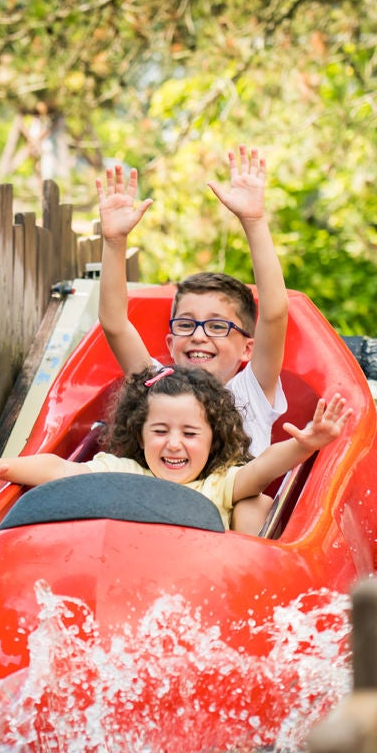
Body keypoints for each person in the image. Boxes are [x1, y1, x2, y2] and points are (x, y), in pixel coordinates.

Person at [96, 145, 290, 532]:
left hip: (226, 523)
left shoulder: (252, 389)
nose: (199, 336)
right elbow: (115, 323)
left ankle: (244, 578)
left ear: (247, 347)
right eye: (186, 324)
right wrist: (115, 243)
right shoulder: (159, 385)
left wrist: (253, 221)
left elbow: (274, 311)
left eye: (218, 326)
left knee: (253, 504)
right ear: (170, 343)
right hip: (162, 509)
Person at [0, 366, 349, 533]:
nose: (174, 443)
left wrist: (305, 445)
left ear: (213, 440)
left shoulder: (219, 484)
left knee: (253, 504)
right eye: (160, 431)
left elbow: (261, 469)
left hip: (201, 586)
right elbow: (56, 470)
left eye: (190, 433)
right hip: (135, 578)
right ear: (141, 436)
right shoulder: (123, 473)